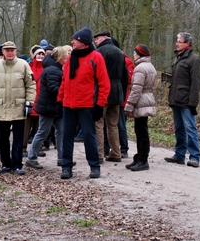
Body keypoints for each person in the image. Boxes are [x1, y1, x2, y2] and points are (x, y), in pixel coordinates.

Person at [58, 27, 110, 179]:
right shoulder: (70, 59)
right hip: (69, 104)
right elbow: (64, 81)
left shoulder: (96, 57)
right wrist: (59, 99)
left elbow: (104, 84)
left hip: (87, 105)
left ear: (84, 42)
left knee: (89, 136)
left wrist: (100, 104)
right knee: (67, 136)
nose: (72, 42)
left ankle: (94, 166)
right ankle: (66, 167)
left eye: (75, 39)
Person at [0, 41, 36, 175]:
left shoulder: (23, 65)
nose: (10, 53)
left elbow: (31, 85)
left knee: (18, 138)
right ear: (3, 52)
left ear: (16, 51)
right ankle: (5, 163)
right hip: (2, 108)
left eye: (12, 50)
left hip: (18, 107)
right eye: (7, 50)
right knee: (3, 138)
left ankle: (17, 164)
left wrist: (29, 103)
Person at [25, 46, 68, 169]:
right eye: (65, 56)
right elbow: (53, 88)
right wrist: (66, 93)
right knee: (43, 132)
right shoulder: (53, 70)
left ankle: (62, 157)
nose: (67, 58)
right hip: (49, 107)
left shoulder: (54, 68)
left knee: (61, 132)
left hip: (54, 107)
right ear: (60, 57)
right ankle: (31, 158)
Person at [165, 32, 200, 168]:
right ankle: (179, 154)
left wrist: (193, 103)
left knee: (190, 129)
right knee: (179, 129)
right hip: (176, 99)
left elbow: (196, 83)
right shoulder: (178, 58)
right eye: (177, 41)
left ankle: (195, 157)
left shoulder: (194, 60)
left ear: (188, 44)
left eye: (180, 41)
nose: (177, 43)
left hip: (187, 101)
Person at [93, 30, 128, 163]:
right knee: (113, 125)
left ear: (103, 38)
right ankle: (116, 153)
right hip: (117, 92)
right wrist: (122, 92)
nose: (96, 42)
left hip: (103, 91)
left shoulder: (99, 53)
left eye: (97, 39)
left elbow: (96, 74)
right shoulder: (120, 52)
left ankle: (99, 153)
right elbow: (125, 75)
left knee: (99, 123)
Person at [124, 44, 157, 171]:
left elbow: (136, 90)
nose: (133, 54)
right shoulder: (150, 67)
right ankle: (139, 157)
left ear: (139, 54)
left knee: (141, 131)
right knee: (141, 130)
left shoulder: (140, 68)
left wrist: (129, 106)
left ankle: (143, 159)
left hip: (141, 101)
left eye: (134, 52)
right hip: (147, 99)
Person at [23, 45, 44, 156]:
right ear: (34, 55)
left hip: (40, 101)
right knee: (26, 127)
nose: (40, 56)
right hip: (30, 100)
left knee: (39, 128)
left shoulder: (45, 67)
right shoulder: (28, 67)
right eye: (38, 54)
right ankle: (23, 148)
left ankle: (37, 149)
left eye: (42, 54)